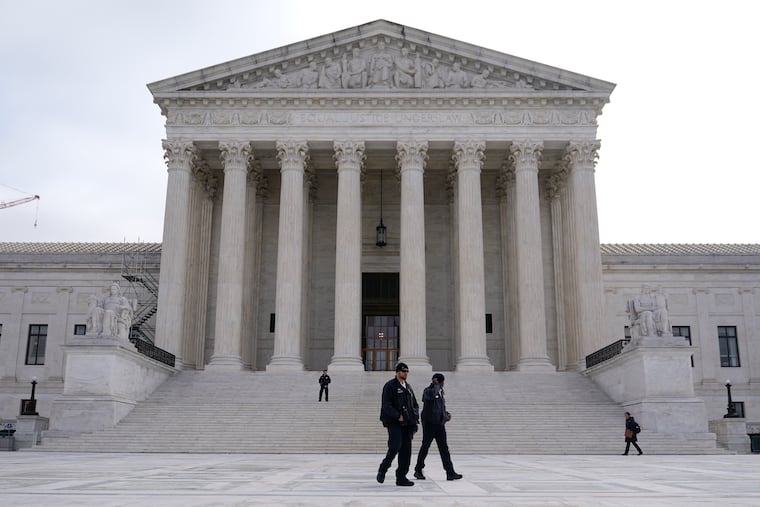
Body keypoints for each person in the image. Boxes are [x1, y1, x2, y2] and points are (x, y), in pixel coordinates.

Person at [414, 373, 463, 481]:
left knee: (444, 449)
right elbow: (430, 397)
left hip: (439, 424)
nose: (443, 384)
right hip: (429, 424)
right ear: (439, 381)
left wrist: (445, 415)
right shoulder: (428, 391)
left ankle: (450, 472)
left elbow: (439, 408)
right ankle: (418, 470)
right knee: (425, 447)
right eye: (442, 382)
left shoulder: (440, 392)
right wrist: (435, 385)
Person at [377, 362, 419, 486]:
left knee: (406, 451)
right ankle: (383, 469)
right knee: (395, 446)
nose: (405, 373)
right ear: (397, 372)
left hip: (408, 423)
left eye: (407, 371)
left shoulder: (408, 387)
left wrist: (415, 415)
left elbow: (414, 404)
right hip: (394, 422)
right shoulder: (390, 386)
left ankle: (401, 477)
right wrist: (398, 415)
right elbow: (386, 405)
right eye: (403, 371)